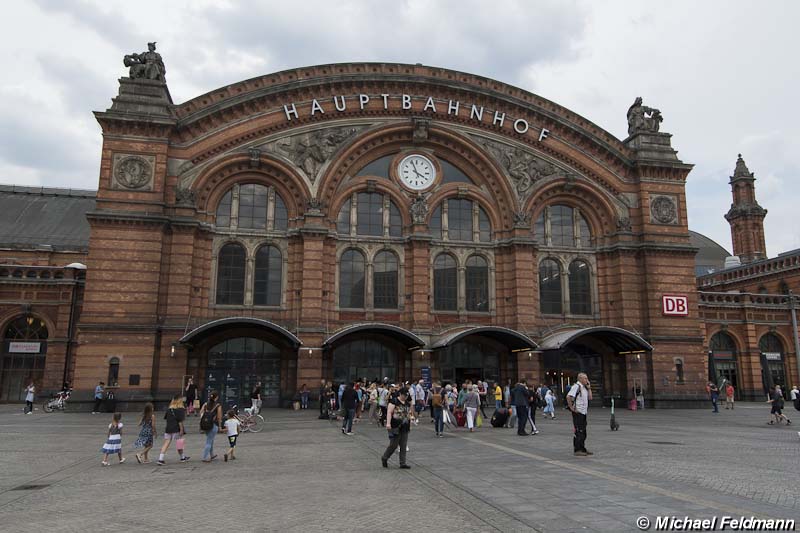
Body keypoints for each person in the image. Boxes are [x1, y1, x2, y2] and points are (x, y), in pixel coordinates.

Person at [381, 387, 413, 469]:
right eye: (404, 395)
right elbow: (389, 412)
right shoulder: (394, 401)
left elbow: (409, 412)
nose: (405, 397)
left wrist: (411, 421)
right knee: (393, 445)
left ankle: (403, 463)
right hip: (395, 426)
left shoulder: (407, 402)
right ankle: (385, 457)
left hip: (405, 426)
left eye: (406, 395)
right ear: (400, 394)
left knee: (403, 445)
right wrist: (388, 423)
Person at [158, 394, 189, 465]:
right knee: (179, 443)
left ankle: (160, 458)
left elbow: (166, 419)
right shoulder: (180, 409)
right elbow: (180, 421)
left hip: (168, 428)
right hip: (176, 429)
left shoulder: (169, 409)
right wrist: (181, 430)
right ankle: (182, 457)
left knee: (166, 443)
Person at [567, 373, 593, 456]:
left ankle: (582, 448)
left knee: (583, 431)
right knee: (579, 431)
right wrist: (572, 408)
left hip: (583, 412)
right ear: (580, 379)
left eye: (587, 378)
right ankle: (577, 449)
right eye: (585, 378)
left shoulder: (584, 387)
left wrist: (589, 388)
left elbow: (590, 398)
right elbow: (568, 396)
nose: (587, 380)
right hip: (578, 413)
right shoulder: (576, 386)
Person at [199, 390, 223, 463]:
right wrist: (220, 426)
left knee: (210, 439)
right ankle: (205, 457)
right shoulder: (218, 406)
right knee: (209, 441)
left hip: (205, 425)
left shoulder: (205, 404)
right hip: (213, 425)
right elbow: (219, 417)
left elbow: (201, 413)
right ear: (216, 398)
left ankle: (212, 455)